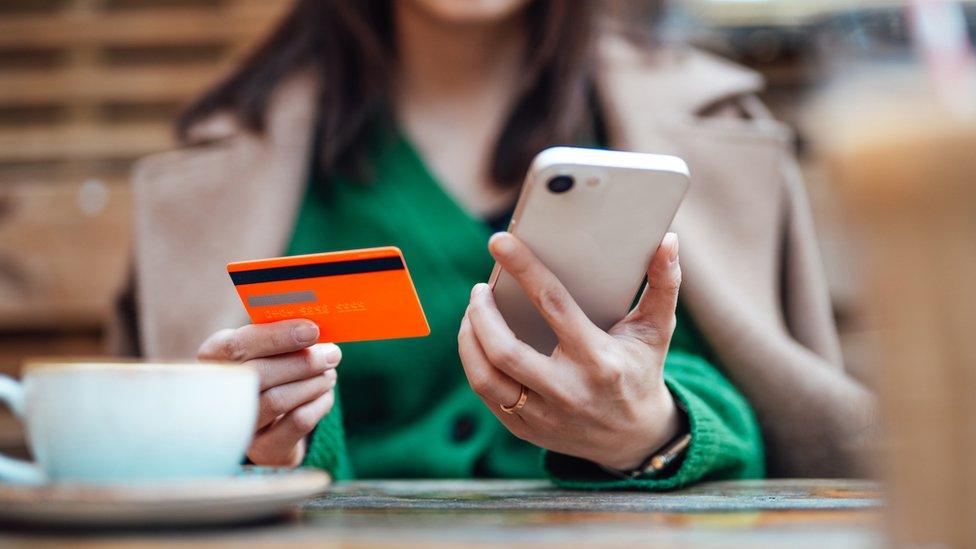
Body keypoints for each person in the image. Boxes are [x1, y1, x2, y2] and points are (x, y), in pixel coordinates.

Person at [112, 0, 875, 487]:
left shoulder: (712, 129)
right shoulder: (223, 162)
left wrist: (653, 428)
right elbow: (129, 458)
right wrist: (264, 450)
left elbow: (785, 423)